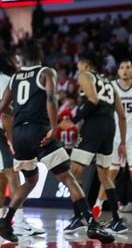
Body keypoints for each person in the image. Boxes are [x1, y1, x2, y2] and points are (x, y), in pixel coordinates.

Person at [0, 40, 114, 244]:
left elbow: (2, 107)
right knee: (68, 177)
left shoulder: (14, 78)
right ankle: (92, 224)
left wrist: (22, 114)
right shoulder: (46, 72)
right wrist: (54, 127)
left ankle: (5, 221)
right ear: (40, 55)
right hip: (39, 130)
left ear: (24, 58)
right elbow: (50, 99)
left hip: (20, 132)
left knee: (30, 180)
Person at [0, 51, 45, 236]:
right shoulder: (7, 79)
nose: (19, 61)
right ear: (8, 61)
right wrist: (15, 144)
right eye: (16, 58)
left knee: (4, 176)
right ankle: (20, 222)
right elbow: (6, 114)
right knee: (13, 173)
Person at [66, 52, 128, 234]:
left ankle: (79, 217)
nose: (77, 68)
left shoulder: (85, 75)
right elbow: (122, 116)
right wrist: (122, 141)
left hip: (94, 126)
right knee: (105, 176)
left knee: (74, 172)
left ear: (85, 64)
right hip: (110, 127)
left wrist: (74, 119)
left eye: (78, 65)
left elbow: (92, 100)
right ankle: (117, 221)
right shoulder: (109, 83)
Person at [93, 60, 132, 217]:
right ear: (117, 71)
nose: (124, 70)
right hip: (116, 134)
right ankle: (97, 206)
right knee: (111, 173)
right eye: (122, 67)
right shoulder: (112, 86)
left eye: (128, 67)